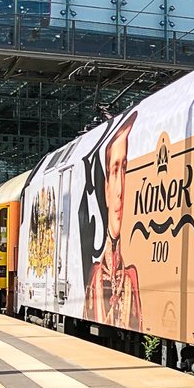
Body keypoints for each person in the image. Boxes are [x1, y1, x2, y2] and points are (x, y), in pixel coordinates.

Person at [83, 112, 142, 330]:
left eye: (125, 169)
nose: (120, 191)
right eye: (115, 171)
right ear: (106, 187)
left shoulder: (132, 277)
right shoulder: (95, 274)